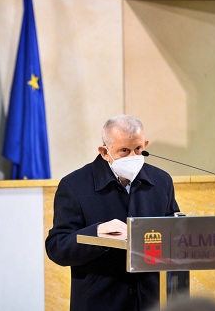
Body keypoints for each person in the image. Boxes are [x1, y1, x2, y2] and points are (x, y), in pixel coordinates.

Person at [45, 114, 180, 311]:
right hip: (99, 301)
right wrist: (96, 233)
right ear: (104, 152)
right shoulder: (74, 185)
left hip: (149, 301)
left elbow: (173, 236)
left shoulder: (161, 181)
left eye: (138, 149)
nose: (133, 157)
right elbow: (56, 247)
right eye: (124, 151)